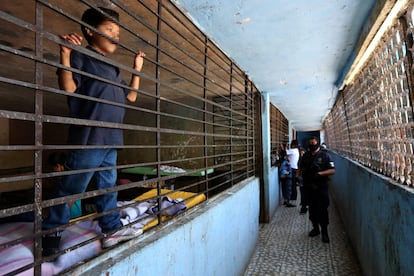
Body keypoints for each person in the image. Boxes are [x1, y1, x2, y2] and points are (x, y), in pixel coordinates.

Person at [42, 6, 146, 256]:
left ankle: (111, 230)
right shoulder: (82, 56)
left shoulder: (112, 69)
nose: (116, 36)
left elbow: (130, 96)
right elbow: (68, 88)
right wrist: (65, 54)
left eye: (118, 32)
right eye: (109, 29)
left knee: (108, 186)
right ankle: (49, 237)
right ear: (89, 31)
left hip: (111, 137)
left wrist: (137, 69)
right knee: (71, 188)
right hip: (89, 137)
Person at [299, 136, 335, 243]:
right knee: (312, 210)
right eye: (310, 144)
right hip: (308, 187)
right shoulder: (306, 156)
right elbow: (301, 167)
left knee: (322, 210)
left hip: (320, 188)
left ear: (318, 144)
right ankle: (316, 229)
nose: (311, 146)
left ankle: (324, 232)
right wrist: (299, 177)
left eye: (313, 144)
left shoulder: (325, 156)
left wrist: (320, 173)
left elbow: (332, 170)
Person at [47, 152, 82, 219]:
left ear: (58, 166)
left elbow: (73, 198)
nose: (52, 170)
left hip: (71, 215)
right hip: (71, 213)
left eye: (52, 168)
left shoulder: (70, 178)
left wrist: (59, 212)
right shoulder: (65, 177)